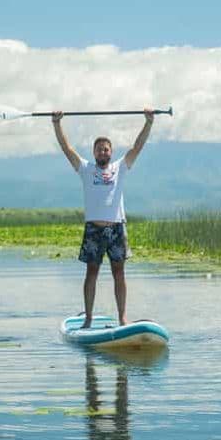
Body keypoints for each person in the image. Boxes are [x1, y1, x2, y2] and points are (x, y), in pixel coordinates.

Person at [52, 108, 155, 328]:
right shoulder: (85, 169)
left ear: (111, 152)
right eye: (99, 150)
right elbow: (66, 148)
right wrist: (57, 123)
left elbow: (137, 147)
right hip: (94, 230)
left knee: (119, 273)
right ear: (94, 152)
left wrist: (148, 122)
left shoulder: (120, 167)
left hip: (117, 229)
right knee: (92, 273)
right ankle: (88, 319)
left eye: (106, 149)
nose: (103, 152)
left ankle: (122, 318)